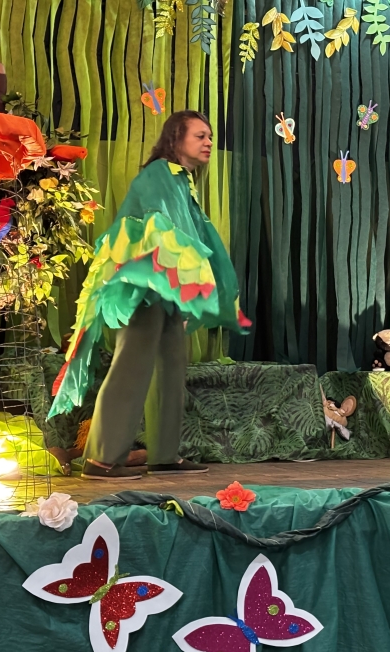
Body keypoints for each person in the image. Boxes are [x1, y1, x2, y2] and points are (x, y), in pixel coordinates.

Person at [49, 110, 251, 480]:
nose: (209, 142)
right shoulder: (160, 173)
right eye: (200, 136)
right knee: (133, 365)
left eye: (210, 136)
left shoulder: (181, 180)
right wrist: (184, 287)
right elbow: (162, 228)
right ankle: (102, 459)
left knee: (171, 366)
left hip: (166, 287)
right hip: (143, 286)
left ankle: (164, 455)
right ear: (176, 139)